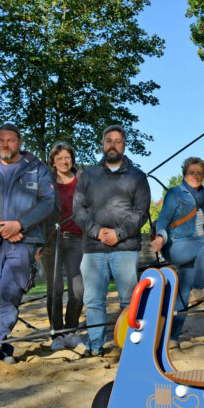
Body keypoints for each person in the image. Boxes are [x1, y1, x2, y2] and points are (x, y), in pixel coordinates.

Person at [0, 123, 55, 371]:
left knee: (8, 296)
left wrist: (20, 225)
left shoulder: (36, 169)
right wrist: (1, 226)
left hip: (23, 242)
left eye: (10, 140)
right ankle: (2, 345)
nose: (5, 145)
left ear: (20, 142)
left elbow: (47, 203)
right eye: (0, 140)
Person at [74, 125, 150, 357]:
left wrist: (119, 233)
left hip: (125, 248)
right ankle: (95, 345)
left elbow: (141, 212)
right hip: (93, 248)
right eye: (109, 140)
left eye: (117, 141)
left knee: (129, 301)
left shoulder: (137, 176)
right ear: (103, 144)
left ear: (124, 145)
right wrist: (97, 231)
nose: (113, 145)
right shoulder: (87, 176)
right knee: (93, 300)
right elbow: (79, 210)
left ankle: (130, 347)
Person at [152, 157, 204, 348]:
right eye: (192, 172)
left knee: (183, 295)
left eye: (199, 173)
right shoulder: (175, 193)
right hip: (176, 245)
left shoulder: (203, 200)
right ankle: (198, 289)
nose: (196, 176)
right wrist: (160, 237)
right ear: (185, 174)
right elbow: (164, 219)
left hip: (195, 249)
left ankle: (171, 338)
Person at [39, 142, 85, 352]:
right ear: (53, 162)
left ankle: (71, 330)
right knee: (55, 289)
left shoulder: (84, 179)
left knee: (78, 289)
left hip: (76, 239)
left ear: (72, 159)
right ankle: (56, 334)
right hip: (52, 241)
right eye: (59, 159)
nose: (64, 162)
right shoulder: (45, 181)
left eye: (67, 157)